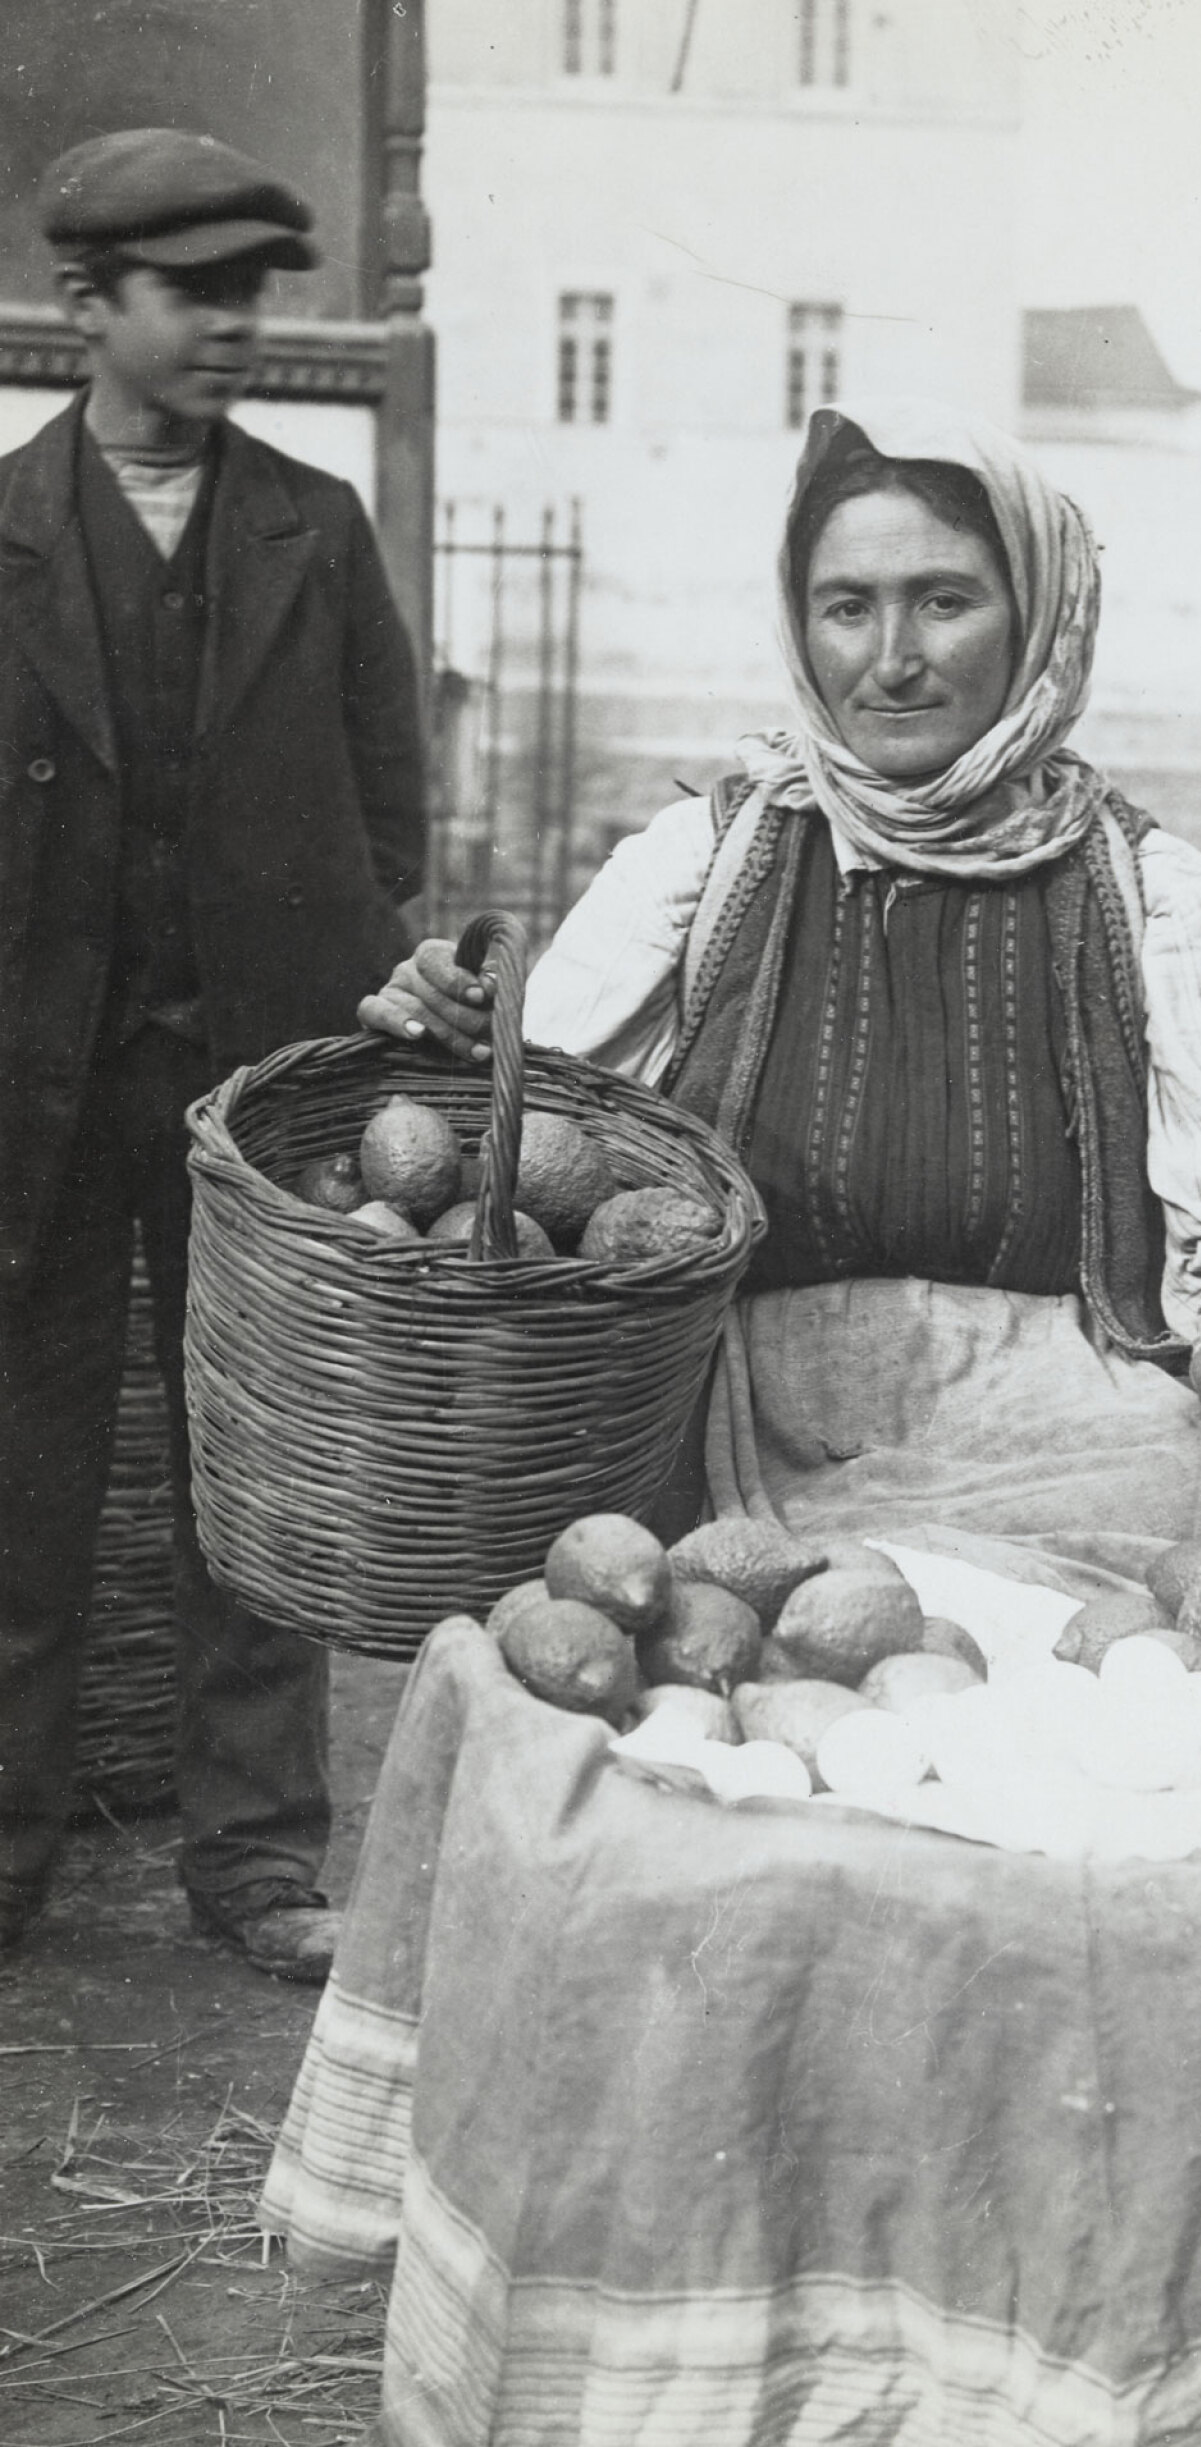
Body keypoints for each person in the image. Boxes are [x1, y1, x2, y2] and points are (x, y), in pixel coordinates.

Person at [363, 399, 1201, 1548]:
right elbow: (523, 1144)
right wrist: (444, 1042)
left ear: (1038, 617)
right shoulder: (705, 862)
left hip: (1054, 1443)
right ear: (800, 628)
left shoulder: (1161, 900)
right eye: (847, 608)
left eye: (945, 602)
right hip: (709, 1428)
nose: (893, 662)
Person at [0, 131, 425, 1976]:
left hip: (254, 1093)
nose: (233, 327)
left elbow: (386, 810)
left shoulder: (312, 530)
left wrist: (323, 1011)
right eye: (194, 293)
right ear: (87, 308)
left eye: (254, 292)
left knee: (248, 1471)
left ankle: (254, 1860)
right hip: (35, 1084)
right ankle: (7, 1855)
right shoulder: (5, 534)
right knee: (22, 1471)